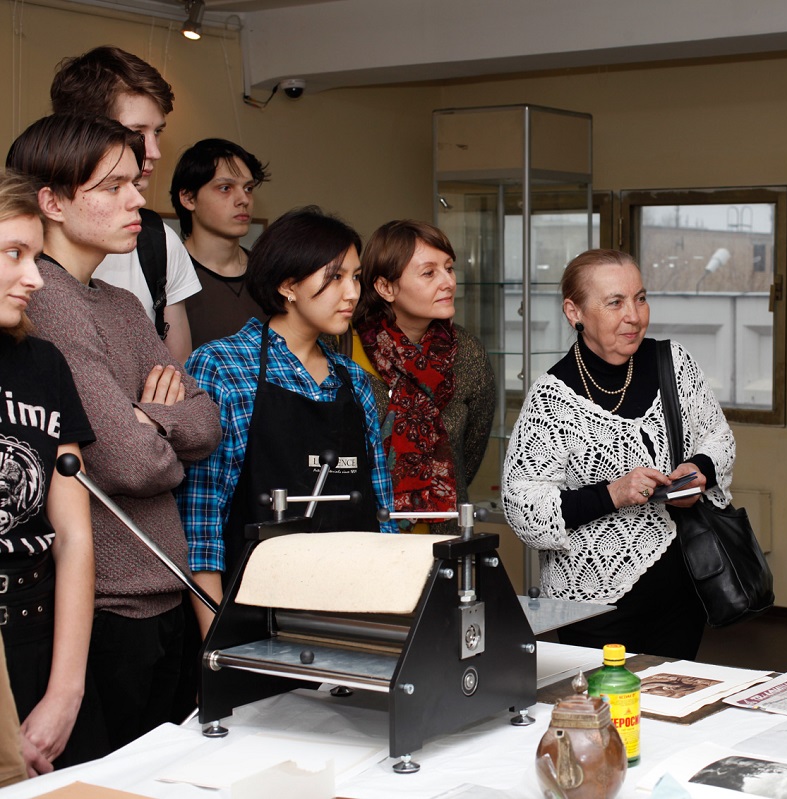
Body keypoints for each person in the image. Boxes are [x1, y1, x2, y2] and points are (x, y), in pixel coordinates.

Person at [7, 114, 222, 754]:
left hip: (164, 587)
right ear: (52, 202)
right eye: (113, 186)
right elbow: (130, 463)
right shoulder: (44, 302)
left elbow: (208, 423)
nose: (137, 201)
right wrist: (153, 432)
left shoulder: (121, 303)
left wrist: (148, 418)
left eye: (136, 183)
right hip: (102, 606)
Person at [501, 249, 735, 660]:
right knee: (606, 700)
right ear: (574, 312)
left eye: (640, 298)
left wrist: (698, 470)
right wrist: (613, 493)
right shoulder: (551, 398)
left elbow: (718, 437)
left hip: (683, 591)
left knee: (671, 697)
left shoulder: (673, 362)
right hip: (593, 604)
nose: (634, 316)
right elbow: (523, 504)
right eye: (615, 302)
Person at [178, 207, 397, 638]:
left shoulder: (353, 380)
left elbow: (382, 514)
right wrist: (216, 644)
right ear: (287, 285)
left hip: (353, 614)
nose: (351, 293)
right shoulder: (223, 366)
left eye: (355, 277)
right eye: (334, 277)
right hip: (253, 620)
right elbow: (201, 521)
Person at [0, 172, 101, 771]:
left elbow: (74, 535)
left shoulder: (43, 363)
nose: (35, 278)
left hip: (34, 632)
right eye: (13, 253)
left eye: (36, 257)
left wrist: (66, 692)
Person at [50, 45, 201, 362]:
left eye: (157, 132)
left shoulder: (157, 240)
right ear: (83, 132)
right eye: (136, 133)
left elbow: (180, 378)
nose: (154, 151)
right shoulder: (18, 239)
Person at [352, 220, 494, 533]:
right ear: (385, 287)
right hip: (363, 536)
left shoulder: (467, 353)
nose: (448, 282)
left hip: (443, 535)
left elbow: (468, 455)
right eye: (429, 273)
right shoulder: (345, 350)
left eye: (449, 268)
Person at [171, 139, 271, 348]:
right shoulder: (167, 275)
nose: (243, 199)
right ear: (188, 198)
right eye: (225, 188)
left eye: (248, 188)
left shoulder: (269, 274)